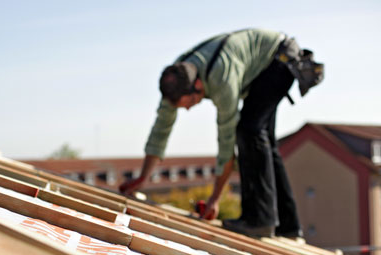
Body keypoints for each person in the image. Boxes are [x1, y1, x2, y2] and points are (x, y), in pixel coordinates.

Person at [120, 28, 321, 238]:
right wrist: (142, 178)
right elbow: (160, 131)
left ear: (198, 86)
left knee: (249, 130)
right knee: (263, 140)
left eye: (189, 104)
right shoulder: (175, 79)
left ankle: (259, 220)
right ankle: (288, 227)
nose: (188, 109)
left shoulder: (222, 79)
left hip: (279, 61)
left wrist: (215, 198)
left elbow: (227, 144)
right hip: (265, 63)